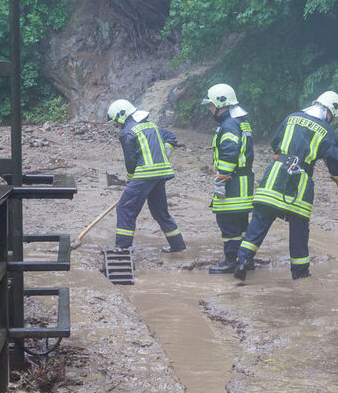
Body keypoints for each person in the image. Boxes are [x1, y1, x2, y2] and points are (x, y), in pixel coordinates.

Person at [233, 91, 338, 281]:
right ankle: (300, 274)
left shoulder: (291, 118)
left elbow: (275, 142)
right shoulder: (327, 132)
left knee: (260, 219)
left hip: (276, 173)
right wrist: (337, 176)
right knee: (299, 228)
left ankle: (242, 261)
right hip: (301, 181)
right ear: (330, 112)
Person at [107, 99, 186, 253]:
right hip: (161, 173)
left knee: (125, 208)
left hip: (145, 174)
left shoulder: (127, 132)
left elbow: (130, 161)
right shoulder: (152, 125)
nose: (116, 125)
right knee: (159, 210)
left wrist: (131, 179)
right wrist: (165, 153)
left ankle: (122, 248)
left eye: (116, 121)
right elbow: (171, 137)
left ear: (121, 115)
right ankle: (178, 245)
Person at [201, 84, 256, 274]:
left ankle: (231, 260)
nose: (210, 109)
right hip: (243, 183)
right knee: (241, 224)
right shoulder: (241, 120)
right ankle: (245, 259)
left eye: (211, 105)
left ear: (220, 104)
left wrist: (220, 180)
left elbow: (229, 153)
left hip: (233, 184)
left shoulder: (229, 125)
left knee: (227, 222)